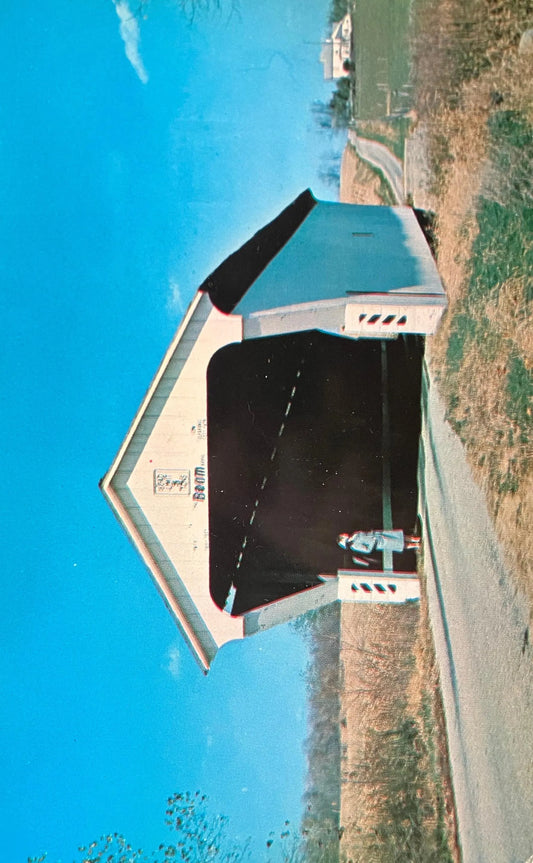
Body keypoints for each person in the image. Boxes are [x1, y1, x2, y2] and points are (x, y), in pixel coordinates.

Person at [337, 529, 421, 566]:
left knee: (399, 536)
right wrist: (373, 541)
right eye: (342, 536)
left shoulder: (354, 534)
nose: (344, 534)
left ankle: (416, 539)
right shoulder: (354, 546)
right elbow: (367, 550)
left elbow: (366, 533)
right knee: (398, 544)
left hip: (379, 534)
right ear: (344, 539)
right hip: (380, 543)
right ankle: (416, 545)